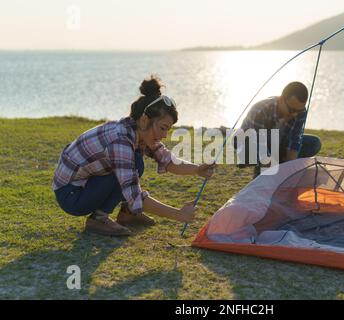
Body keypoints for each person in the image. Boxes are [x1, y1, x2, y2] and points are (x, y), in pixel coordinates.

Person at [52, 76, 216, 236]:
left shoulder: (136, 132)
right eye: (163, 128)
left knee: (136, 162)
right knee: (131, 166)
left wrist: (197, 170)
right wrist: (179, 215)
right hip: (72, 195)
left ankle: (128, 214)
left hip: (86, 184)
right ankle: (98, 219)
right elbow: (134, 193)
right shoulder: (120, 141)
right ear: (145, 120)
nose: (165, 135)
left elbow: (167, 160)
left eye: (168, 129)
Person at [238, 81, 321, 178]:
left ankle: (280, 164)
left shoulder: (300, 111)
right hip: (249, 144)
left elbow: (295, 140)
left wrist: (290, 168)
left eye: (299, 111)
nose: (295, 114)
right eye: (292, 110)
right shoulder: (261, 110)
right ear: (281, 99)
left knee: (314, 143)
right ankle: (261, 174)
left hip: (277, 144)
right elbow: (259, 144)